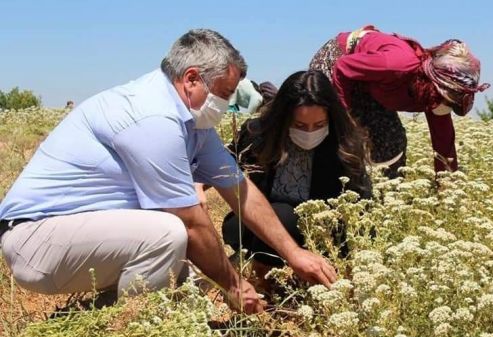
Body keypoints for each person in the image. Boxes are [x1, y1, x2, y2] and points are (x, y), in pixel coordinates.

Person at [0, 29, 336, 315]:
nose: (227, 104)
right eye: (223, 94)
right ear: (191, 78)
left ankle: (96, 318)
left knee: (187, 278)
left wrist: (294, 254)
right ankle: (122, 327)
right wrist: (234, 286)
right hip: (35, 239)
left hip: (75, 234)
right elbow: (190, 222)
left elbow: (238, 188)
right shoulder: (153, 118)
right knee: (169, 234)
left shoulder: (193, 124)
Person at [220, 70, 370, 281]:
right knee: (282, 215)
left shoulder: (344, 143)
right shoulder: (259, 134)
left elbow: (362, 202)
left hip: (319, 225)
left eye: (319, 126)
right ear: (284, 118)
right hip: (265, 223)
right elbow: (220, 164)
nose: (309, 133)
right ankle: (263, 275)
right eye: (299, 125)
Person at [309, 25, 490, 177]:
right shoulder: (397, 65)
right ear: (435, 86)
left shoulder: (434, 97)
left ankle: (384, 195)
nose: (447, 107)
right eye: (449, 101)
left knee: (392, 140)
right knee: (342, 142)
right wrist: (346, 121)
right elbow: (343, 68)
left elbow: (444, 142)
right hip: (338, 63)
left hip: (373, 84)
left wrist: (446, 186)